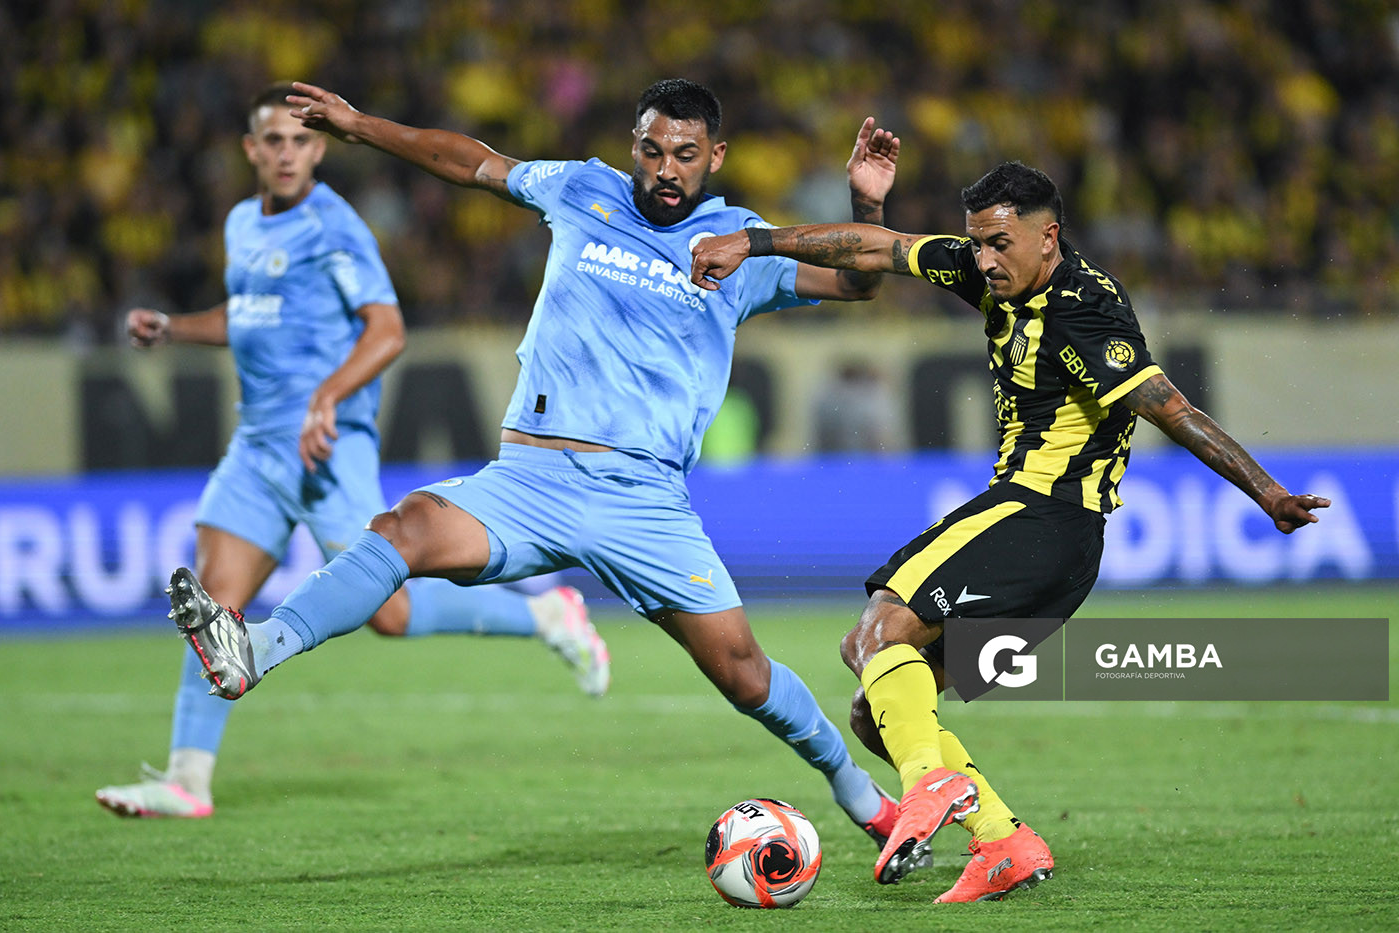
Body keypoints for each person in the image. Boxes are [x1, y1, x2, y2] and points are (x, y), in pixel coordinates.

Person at [162, 77, 905, 846]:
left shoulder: (739, 241)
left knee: (745, 673)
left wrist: (868, 204)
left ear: (715, 155)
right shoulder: (582, 188)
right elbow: (471, 162)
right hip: (529, 479)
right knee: (406, 525)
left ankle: (861, 795)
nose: (666, 169)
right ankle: (257, 648)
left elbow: (856, 280)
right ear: (633, 148)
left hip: (641, 500)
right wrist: (361, 127)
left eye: (685, 154)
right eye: (652, 151)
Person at [690, 160, 1331, 900]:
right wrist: (758, 240)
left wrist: (1268, 492)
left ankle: (930, 788)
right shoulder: (985, 269)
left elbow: (1169, 406)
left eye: (999, 243)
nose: (985, 260)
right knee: (882, 717)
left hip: (1039, 513)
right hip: (1063, 552)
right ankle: (1003, 841)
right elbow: (878, 248)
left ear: (1047, 237)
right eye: (977, 243)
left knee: (872, 637)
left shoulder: (1085, 308)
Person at [96, 84, 610, 820]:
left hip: (329, 445)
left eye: (300, 141)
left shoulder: (334, 226)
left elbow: (388, 329)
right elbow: (249, 316)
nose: (286, 153)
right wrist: (175, 328)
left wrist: (327, 396)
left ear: (316, 149)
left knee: (390, 614)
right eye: (272, 140)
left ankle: (548, 616)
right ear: (251, 150)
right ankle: (187, 778)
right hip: (259, 448)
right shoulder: (244, 224)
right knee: (217, 604)